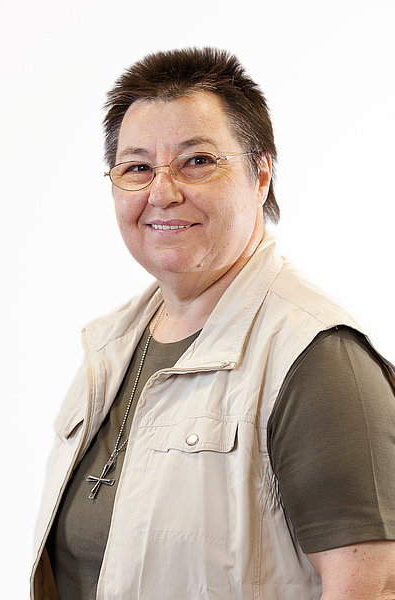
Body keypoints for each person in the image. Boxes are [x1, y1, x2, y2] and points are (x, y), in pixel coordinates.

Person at [30, 47, 395, 600]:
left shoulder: (316, 360)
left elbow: (373, 586)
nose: (162, 192)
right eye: (137, 168)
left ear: (261, 174)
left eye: (197, 161)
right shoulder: (110, 345)